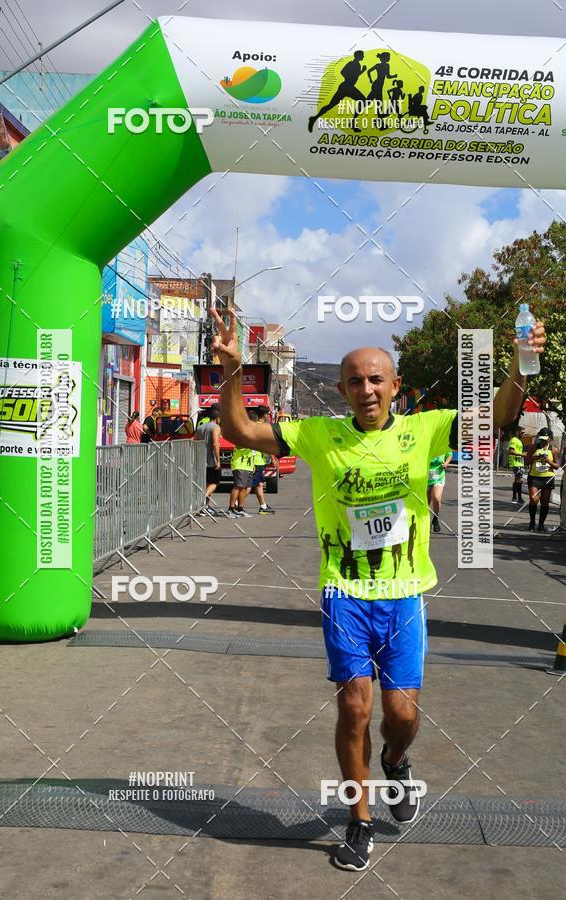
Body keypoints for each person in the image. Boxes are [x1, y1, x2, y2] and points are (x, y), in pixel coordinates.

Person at [210, 305, 546, 872]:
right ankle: (359, 821)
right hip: (344, 594)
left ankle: (395, 760)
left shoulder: (427, 428)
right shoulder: (321, 434)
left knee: (402, 714)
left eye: (376, 379)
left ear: (394, 387)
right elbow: (239, 430)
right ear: (341, 389)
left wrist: (519, 362)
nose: (366, 389)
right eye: (355, 381)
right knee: (353, 707)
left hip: (406, 594)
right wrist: (233, 373)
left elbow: (496, 418)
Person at [526, 427, 559, 532]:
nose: (543, 441)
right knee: (534, 499)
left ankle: (541, 524)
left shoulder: (554, 449)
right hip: (534, 477)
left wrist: (548, 461)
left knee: (545, 502)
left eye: (545, 439)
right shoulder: (533, 447)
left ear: (550, 438)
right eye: (541, 438)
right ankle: (532, 522)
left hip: (547, 478)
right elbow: (526, 462)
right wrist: (533, 458)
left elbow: (556, 466)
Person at [195, 408, 222, 516]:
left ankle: (205, 507)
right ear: (217, 418)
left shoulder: (200, 427)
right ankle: (203, 499)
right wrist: (218, 460)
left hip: (201, 458)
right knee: (215, 482)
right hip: (210, 459)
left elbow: (195, 441)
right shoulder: (216, 427)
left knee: (206, 483)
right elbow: (216, 443)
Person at [249, 408, 276, 515]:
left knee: (258, 484)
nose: (268, 416)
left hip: (258, 459)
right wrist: (273, 457)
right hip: (257, 460)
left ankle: (263, 506)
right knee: (249, 485)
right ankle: (236, 506)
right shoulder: (262, 427)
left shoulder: (255, 425)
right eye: (267, 414)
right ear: (264, 415)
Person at [427, 452, 452, 532]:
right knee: (426, 503)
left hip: (438, 476)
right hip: (425, 476)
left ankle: (435, 518)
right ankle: (426, 523)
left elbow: (449, 455)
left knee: (436, 498)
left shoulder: (441, 443)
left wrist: (446, 463)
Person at [228, 444, 255, 518]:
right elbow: (239, 446)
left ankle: (240, 509)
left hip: (248, 466)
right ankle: (231, 509)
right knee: (237, 487)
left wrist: (253, 465)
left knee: (244, 488)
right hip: (240, 465)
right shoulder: (242, 437)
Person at [508, 425, 526, 504]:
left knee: (518, 480)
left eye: (524, 433)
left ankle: (516, 497)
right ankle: (517, 498)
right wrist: (522, 455)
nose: (523, 434)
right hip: (516, 462)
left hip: (519, 462)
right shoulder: (514, 440)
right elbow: (511, 451)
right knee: (519, 480)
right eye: (522, 432)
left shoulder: (519, 440)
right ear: (517, 432)